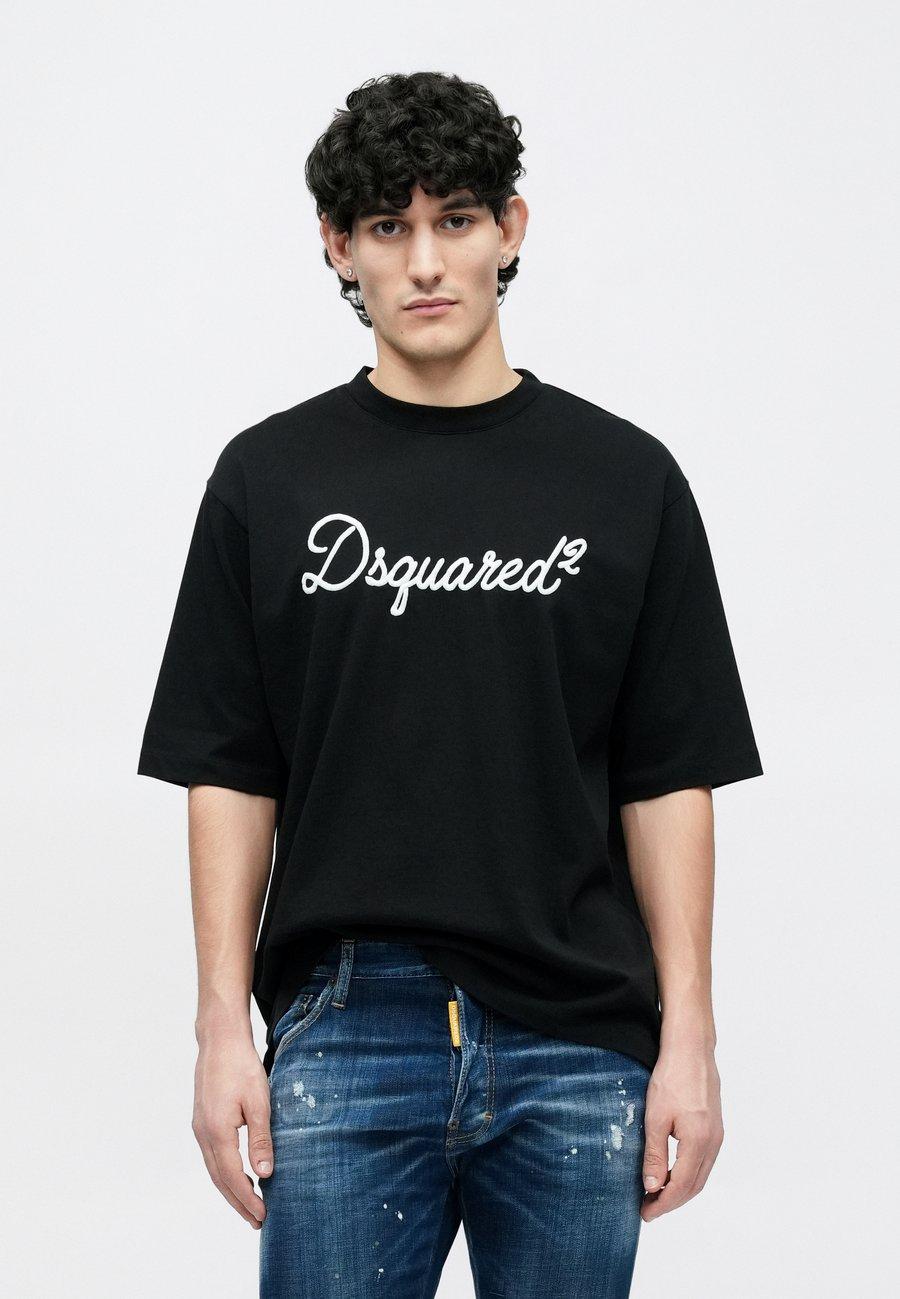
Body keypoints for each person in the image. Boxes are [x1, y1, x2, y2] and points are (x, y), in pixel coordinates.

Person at [138, 71, 763, 1299]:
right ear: (339, 247)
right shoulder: (267, 481)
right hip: (347, 1020)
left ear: (509, 230)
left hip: (579, 1032)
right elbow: (229, 771)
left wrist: (689, 1035)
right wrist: (220, 1032)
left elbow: (667, 776)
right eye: (388, 226)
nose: (425, 261)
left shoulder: (624, 480)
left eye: (457, 219)